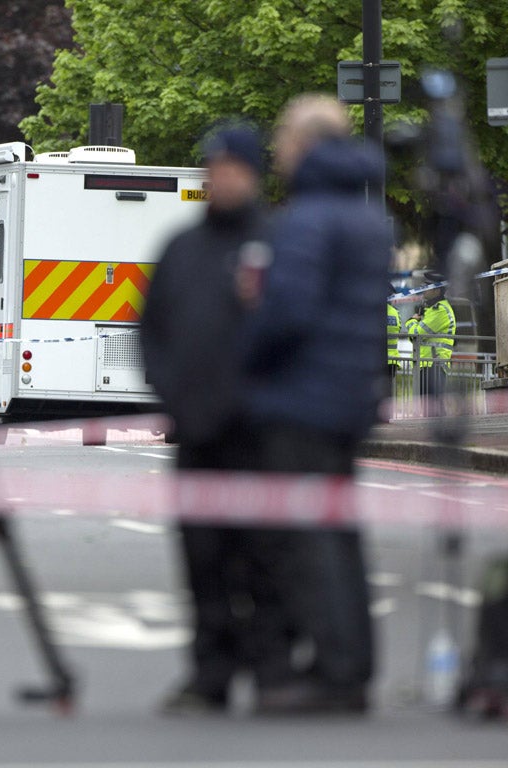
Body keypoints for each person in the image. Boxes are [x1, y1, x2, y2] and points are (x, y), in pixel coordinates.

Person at [240, 94, 391, 714]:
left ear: (307, 144)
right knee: (342, 535)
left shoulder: (306, 219)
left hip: (303, 399)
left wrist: (246, 354)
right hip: (348, 398)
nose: (276, 148)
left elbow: (286, 312)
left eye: (282, 135)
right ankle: (351, 662)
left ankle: (333, 673)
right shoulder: (369, 219)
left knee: (309, 542)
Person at [141, 124, 290, 713]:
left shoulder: (277, 244)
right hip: (196, 431)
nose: (221, 177)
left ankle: (273, 669)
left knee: (265, 557)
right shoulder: (181, 248)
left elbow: (293, 330)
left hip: (259, 433)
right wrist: (171, 393)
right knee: (204, 561)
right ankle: (211, 674)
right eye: (213, 167)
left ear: (253, 175)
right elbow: (151, 331)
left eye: (232, 167)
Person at [404, 272, 456, 415]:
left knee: (433, 410)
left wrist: (412, 321)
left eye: (427, 287)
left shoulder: (439, 310)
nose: (423, 289)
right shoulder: (432, 309)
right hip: (427, 364)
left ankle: (440, 435)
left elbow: (416, 335)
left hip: (434, 364)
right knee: (428, 408)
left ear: (437, 290)